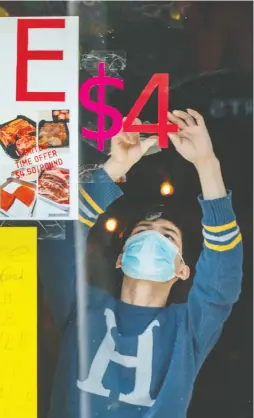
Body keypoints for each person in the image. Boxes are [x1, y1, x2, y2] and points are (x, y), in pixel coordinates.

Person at [38, 109, 243, 417]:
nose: (152, 238)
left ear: (183, 270)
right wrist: (116, 166)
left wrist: (207, 164)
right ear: (121, 258)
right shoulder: (82, 308)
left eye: (168, 237)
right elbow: (58, 241)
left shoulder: (187, 329)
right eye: (142, 231)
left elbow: (221, 274)